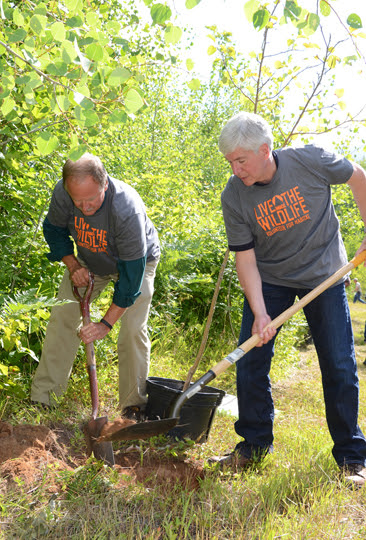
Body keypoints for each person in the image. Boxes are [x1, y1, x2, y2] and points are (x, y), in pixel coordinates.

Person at [213, 111, 366, 488]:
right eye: (230, 162)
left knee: (339, 365)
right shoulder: (234, 195)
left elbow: (358, 175)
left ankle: (352, 457)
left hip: (325, 275)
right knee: (250, 359)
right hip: (272, 279)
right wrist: (261, 313)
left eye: (241, 160)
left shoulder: (310, 160)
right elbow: (245, 257)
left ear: (265, 150)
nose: (235, 170)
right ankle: (253, 446)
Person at [31, 153, 160, 420]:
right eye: (78, 200)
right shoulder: (64, 194)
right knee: (62, 316)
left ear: (104, 184)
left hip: (137, 263)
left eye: (90, 199)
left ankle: (133, 407)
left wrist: (106, 324)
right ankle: (44, 399)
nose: (84, 206)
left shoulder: (126, 209)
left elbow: (131, 279)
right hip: (89, 261)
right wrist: (73, 265)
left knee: (132, 329)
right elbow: (53, 230)